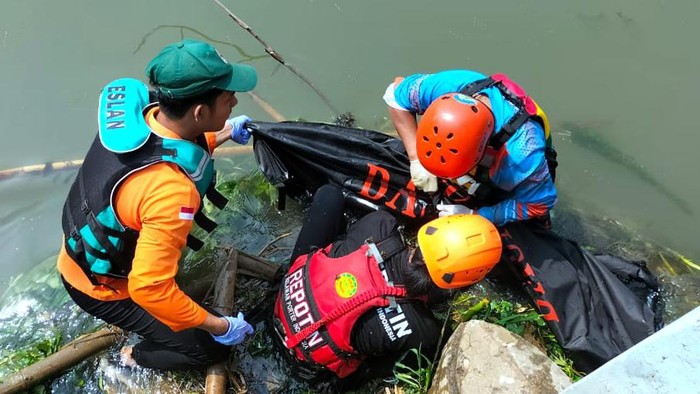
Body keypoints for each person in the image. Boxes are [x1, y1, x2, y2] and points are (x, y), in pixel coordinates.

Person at [56, 39, 259, 370]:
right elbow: (149, 289)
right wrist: (221, 327)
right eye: (228, 98)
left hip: (78, 252)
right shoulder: (171, 193)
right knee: (212, 352)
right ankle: (133, 357)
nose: (234, 101)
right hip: (104, 289)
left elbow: (166, 146)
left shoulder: (143, 115)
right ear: (199, 111)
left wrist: (221, 133)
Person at [270, 184, 502, 390]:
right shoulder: (424, 330)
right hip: (312, 362)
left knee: (329, 195)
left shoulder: (380, 225)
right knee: (373, 363)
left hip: (285, 299)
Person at [383, 69, 558, 226]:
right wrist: (416, 158)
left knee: (518, 206)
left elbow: (539, 204)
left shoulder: (523, 156)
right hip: (492, 140)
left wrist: (478, 216)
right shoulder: (448, 87)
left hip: (519, 146)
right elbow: (395, 93)